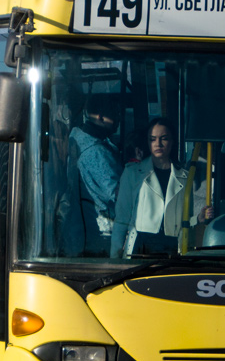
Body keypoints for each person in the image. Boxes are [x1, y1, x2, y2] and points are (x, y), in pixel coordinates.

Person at [112, 119, 191, 257]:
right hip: (141, 245)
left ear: (172, 142)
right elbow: (122, 218)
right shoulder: (133, 173)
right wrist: (115, 257)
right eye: (153, 139)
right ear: (147, 143)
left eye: (164, 139)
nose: (158, 144)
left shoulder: (185, 177)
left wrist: (200, 218)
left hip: (172, 245)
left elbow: (186, 219)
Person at [67, 96, 122, 256]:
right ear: (100, 116)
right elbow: (118, 194)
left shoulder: (76, 136)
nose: (118, 119)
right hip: (103, 231)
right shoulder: (97, 153)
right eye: (115, 114)